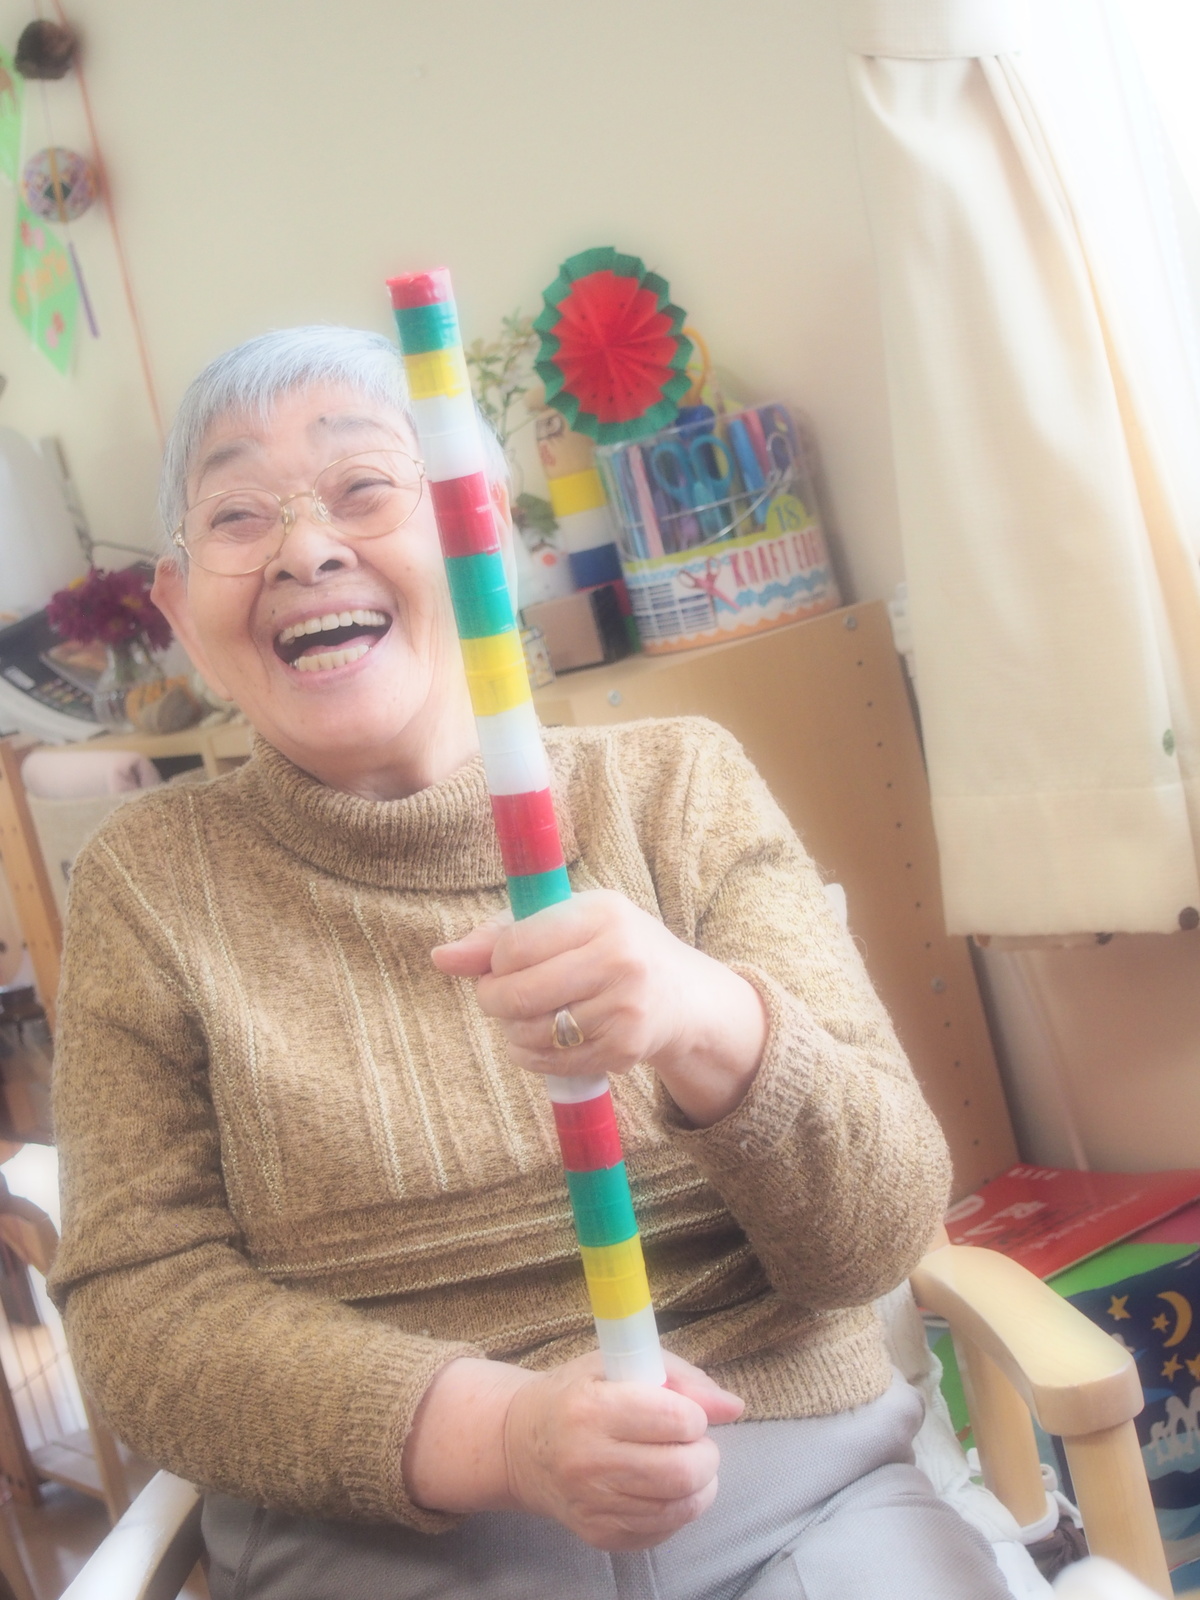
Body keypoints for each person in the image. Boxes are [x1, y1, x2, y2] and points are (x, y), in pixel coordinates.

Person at [49, 326, 1009, 1600]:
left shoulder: (676, 787)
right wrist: (498, 1434)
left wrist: (706, 1020)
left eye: (363, 486)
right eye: (238, 515)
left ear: (482, 528)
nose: (306, 549)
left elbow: (875, 1237)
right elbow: (140, 1316)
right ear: (177, 607)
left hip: (797, 1496)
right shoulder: (150, 883)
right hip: (391, 1550)